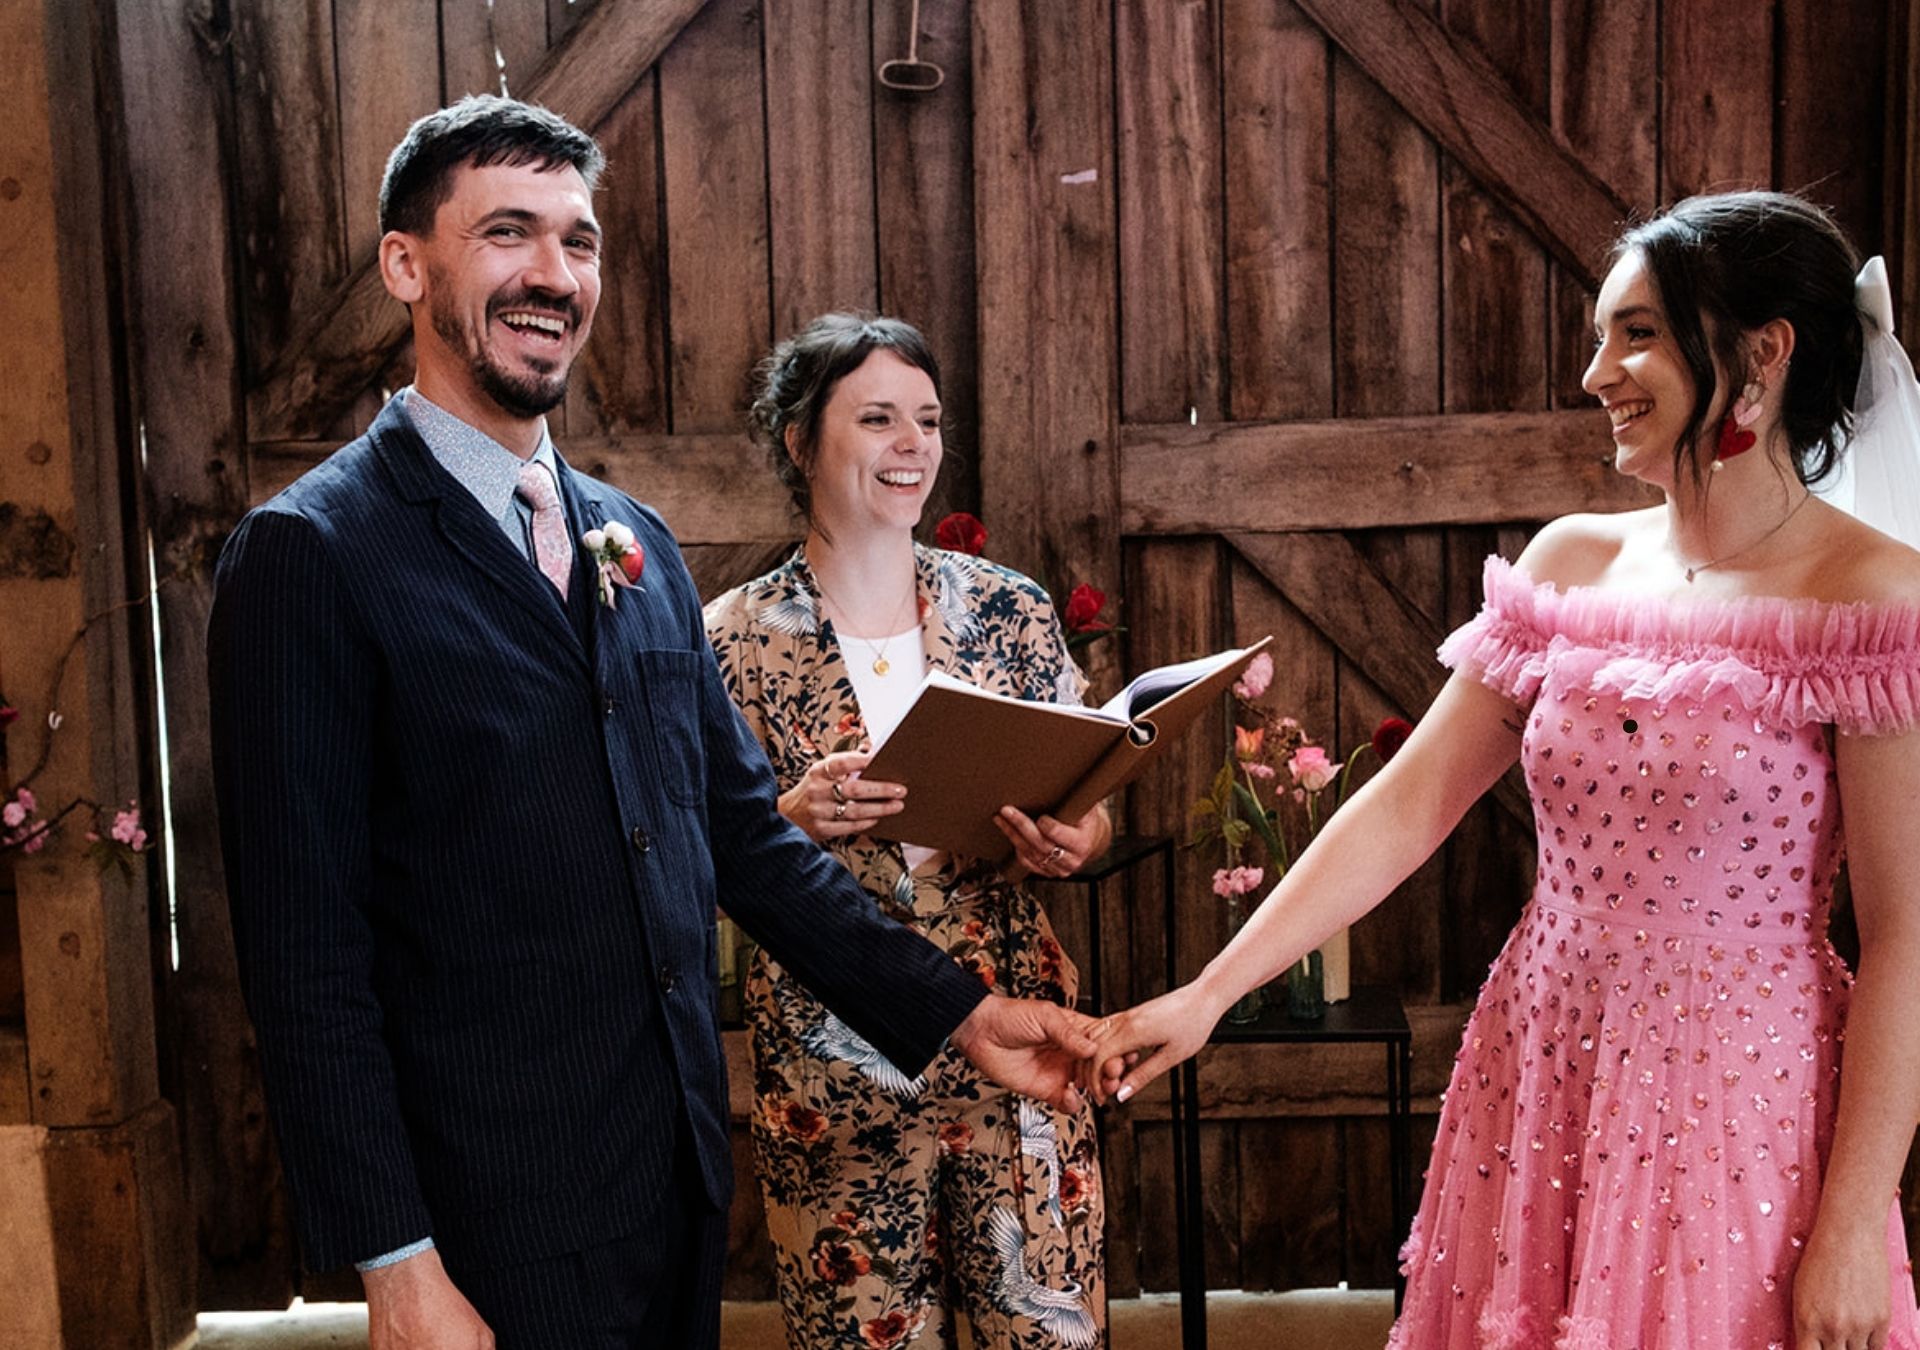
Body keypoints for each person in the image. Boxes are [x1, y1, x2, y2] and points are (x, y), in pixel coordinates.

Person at [206, 97, 1096, 1350]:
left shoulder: (637, 545)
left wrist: (961, 1012)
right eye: (508, 234)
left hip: (671, 1178)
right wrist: (395, 1262)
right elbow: (304, 962)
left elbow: (740, 834)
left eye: (580, 242)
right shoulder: (311, 554)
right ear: (408, 264)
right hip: (485, 1213)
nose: (553, 276)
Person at [1091, 191, 1920, 1350]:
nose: (1597, 373)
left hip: (1742, 1099)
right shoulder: (1571, 563)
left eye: (1635, 333)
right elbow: (1410, 803)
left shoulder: (1870, 598)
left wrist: (1851, 1220)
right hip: (1543, 1058)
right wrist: (1207, 994)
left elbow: (1903, 942)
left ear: (1760, 351)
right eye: (1600, 337)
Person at [703, 313, 1112, 1348]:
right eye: (878, 418)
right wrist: (790, 818)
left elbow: (1088, 798)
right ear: (800, 442)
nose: (913, 445)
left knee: (1048, 1337)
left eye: (927, 421)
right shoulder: (727, 639)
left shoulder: (1009, 611)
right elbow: (696, 845)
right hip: (831, 1064)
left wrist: (1077, 838)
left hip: (1016, 1039)